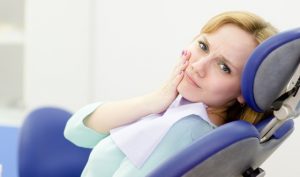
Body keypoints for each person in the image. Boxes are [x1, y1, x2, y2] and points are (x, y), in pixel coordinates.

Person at [64, 11, 277, 177]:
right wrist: (154, 100)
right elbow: (77, 131)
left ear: (244, 91)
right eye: (203, 45)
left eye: (224, 67)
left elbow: (76, 134)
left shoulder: (186, 129)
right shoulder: (186, 107)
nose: (198, 66)